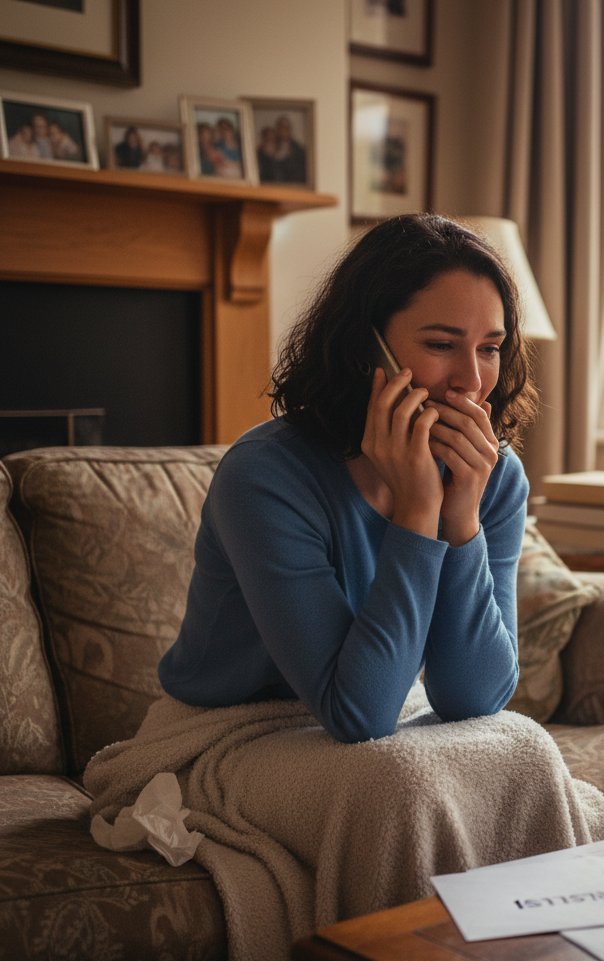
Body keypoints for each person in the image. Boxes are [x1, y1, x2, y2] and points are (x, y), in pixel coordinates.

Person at [159, 213, 539, 743]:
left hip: (371, 708)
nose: (472, 382)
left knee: (524, 752)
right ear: (368, 350)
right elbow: (358, 716)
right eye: (440, 345)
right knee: (406, 786)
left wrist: (459, 516)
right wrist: (417, 508)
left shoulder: (490, 475)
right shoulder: (265, 478)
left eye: (490, 348)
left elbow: (474, 698)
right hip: (228, 728)